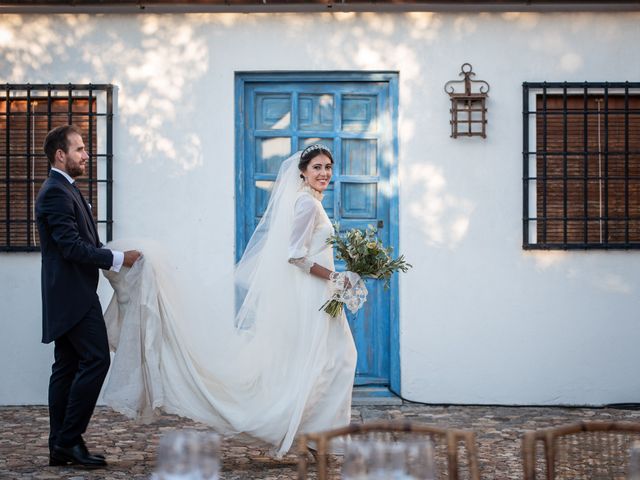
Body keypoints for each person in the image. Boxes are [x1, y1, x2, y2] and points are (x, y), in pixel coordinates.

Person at [101, 144, 365, 457]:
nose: (324, 174)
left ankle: (318, 434)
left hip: (317, 297)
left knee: (330, 361)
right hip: (313, 298)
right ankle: (319, 435)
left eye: (328, 168)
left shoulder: (309, 202)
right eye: (317, 167)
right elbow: (295, 256)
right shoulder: (307, 204)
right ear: (303, 172)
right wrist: (336, 277)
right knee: (339, 358)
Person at [35, 125, 141, 468]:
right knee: (97, 360)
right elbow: (70, 247)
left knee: (66, 367)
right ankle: (68, 440)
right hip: (73, 297)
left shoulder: (67, 189)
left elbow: (82, 243)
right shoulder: (55, 192)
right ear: (60, 155)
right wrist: (118, 259)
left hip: (70, 294)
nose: (86, 155)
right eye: (79, 149)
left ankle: (59, 446)